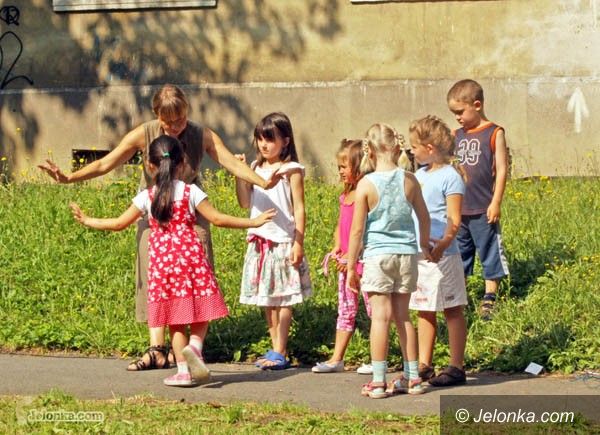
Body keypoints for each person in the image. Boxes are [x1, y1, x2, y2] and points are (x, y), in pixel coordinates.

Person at [39, 84, 279, 371]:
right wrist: (68, 178)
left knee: (198, 275)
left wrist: (262, 182)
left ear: (187, 111)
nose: (176, 126)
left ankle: (187, 350)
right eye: (169, 121)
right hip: (154, 211)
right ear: (157, 115)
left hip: (191, 211)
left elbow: (230, 163)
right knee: (154, 274)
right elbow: (106, 163)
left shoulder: (200, 134)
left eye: (181, 119)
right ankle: (157, 350)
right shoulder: (144, 133)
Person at [70, 135, 276, 387]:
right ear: (182, 164)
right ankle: (195, 346)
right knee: (201, 307)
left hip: (162, 266)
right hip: (190, 259)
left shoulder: (147, 196)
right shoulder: (190, 191)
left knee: (175, 321)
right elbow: (218, 219)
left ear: (150, 165)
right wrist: (253, 222)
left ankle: (183, 372)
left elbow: (118, 223)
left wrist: (88, 220)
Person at [346, 123, 431, 398]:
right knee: (403, 316)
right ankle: (413, 378)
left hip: (378, 256)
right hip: (406, 255)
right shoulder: (410, 180)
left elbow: (356, 230)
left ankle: (378, 381)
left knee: (380, 318)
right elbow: (424, 217)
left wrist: (351, 266)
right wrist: (424, 244)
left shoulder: (365, 185)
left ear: (368, 151)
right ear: (396, 147)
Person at [235, 112, 312, 370]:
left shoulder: (292, 170)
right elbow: (244, 202)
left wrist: (298, 242)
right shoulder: (255, 169)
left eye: (270, 139)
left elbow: (299, 208)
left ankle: (280, 349)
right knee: (267, 299)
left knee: (284, 298)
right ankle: (276, 348)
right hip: (259, 242)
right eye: (260, 139)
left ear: (285, 141)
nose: (264, 145)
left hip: (283, 242)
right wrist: (241, 173)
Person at [408, 115, 468, 387]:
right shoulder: (418, 176)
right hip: (422, 255)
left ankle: (456, 366)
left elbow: (454, 219)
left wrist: (442, 245)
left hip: (445, 256)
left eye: (414, 146)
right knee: (424, 308)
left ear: (429, 148)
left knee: (452, 309)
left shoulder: (450, 177)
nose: (411, 151)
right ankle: (424, 364)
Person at [447, 79, 510, 320]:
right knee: (460, 253)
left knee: (489, 250)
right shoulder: (456, 135)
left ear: (477, 105)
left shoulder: (494, 133)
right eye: (454, 113)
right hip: (459, 209)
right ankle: (459, 295)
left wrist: (496, 202)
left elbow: (502, 170)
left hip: (483, 208)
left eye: (460, 112)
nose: (457, 118)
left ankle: (490, 295)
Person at [312, 139, 373, 374]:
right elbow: (341, 225)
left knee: (374, 311)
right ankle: (337, 358)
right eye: (339, 166)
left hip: (364, 262)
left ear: (359, 166)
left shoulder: (364, 195)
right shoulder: (345, 196)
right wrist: (338, 247)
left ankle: (378, 358)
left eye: (344, 166)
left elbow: (363, 230)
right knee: (345, 310)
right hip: (346, 265)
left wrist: (352, 256)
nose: (340, 171)